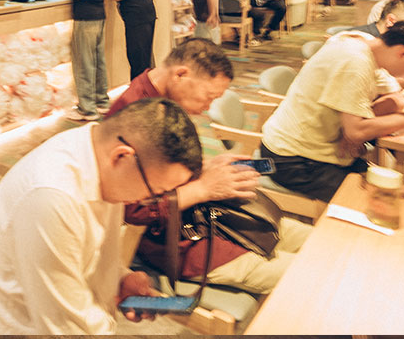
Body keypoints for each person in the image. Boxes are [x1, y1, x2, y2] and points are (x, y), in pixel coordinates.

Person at [0, 98, 203, 334]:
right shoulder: (53, 197)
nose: (148, 200)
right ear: (121, 157)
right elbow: (64, 329)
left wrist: (120, 278)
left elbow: (84, 254)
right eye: (154, 192)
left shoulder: (99, 153)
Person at [106, 39, 313, 294]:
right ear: (181, 75)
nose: (208, 108)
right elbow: (132, 210)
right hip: (180, 239)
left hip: (209, 216)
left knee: (315, 240)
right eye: (209, 97)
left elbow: (166, 169)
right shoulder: (134, 117)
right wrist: (203, 188)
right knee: (308, 274)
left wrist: (205, 167)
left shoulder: (162, 99)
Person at [260, 21, 404, 201]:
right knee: (376, 199)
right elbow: (358, 131)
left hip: (318, 151)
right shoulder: (355, 61)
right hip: (291, 159)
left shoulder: (367, 47)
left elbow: (396, 100)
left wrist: (355, 128)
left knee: (388, 183)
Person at [62, 0, 110, 121]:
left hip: (85, 18)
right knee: (98, 62)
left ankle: (87, 109)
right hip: (99, 15)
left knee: (84, 63)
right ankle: (102, 102)